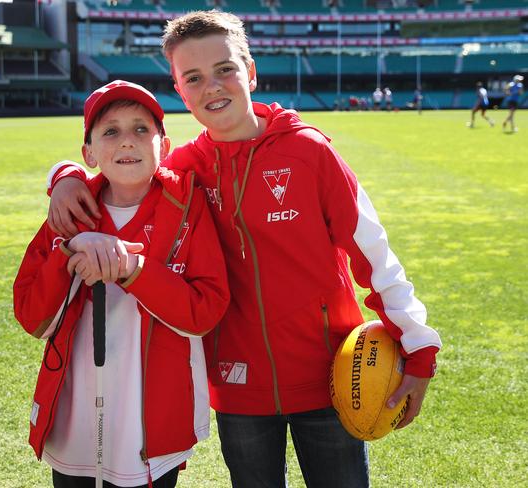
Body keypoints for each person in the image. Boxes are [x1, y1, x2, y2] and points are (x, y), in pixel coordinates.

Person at [43, 10, 442, 488]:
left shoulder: (310, 152)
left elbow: (374, 255)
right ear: (180, 91)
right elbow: (117, 172)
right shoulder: (185, 170)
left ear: (250, 71)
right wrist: (64, 177)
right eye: (194, 77)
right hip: (238, 389)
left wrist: (418, 350)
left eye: (225, 70)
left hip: (333, 379)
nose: (212, 87)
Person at [13, 80, 230, 488]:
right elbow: (31, 316)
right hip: (74, 417)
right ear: (89, 153)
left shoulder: (187, 206)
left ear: (164, 147)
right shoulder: (70, 212)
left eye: (141, 129)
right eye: (110, 131)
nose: (127, 141)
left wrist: (132, 269)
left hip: (149, 423)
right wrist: (70, 252)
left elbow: (205, 310)